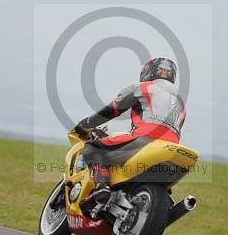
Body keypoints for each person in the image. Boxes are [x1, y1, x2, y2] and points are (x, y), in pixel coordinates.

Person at [71, 57, 186, 204]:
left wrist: (86, 124)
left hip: (145, 139)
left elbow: (112, 110)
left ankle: (102, 187)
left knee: (93, 149)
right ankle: (165, 201)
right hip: (172, 148)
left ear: (148, 72)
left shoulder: (140, 88)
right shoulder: (181, 101)